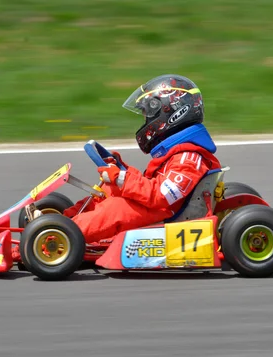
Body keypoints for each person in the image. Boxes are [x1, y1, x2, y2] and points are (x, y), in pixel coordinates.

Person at [62, 74, 222, 244]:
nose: (146, 122)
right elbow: (151, 183)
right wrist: (121, 169)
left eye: (148, 116)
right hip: (160, 206)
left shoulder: (188, 159)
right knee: (107, 192)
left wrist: (121, 177)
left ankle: (63, 236)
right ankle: (62, 220)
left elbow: (161, 196)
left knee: (115, 209)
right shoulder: (180, 153)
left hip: (166, 213)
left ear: (171, 113)